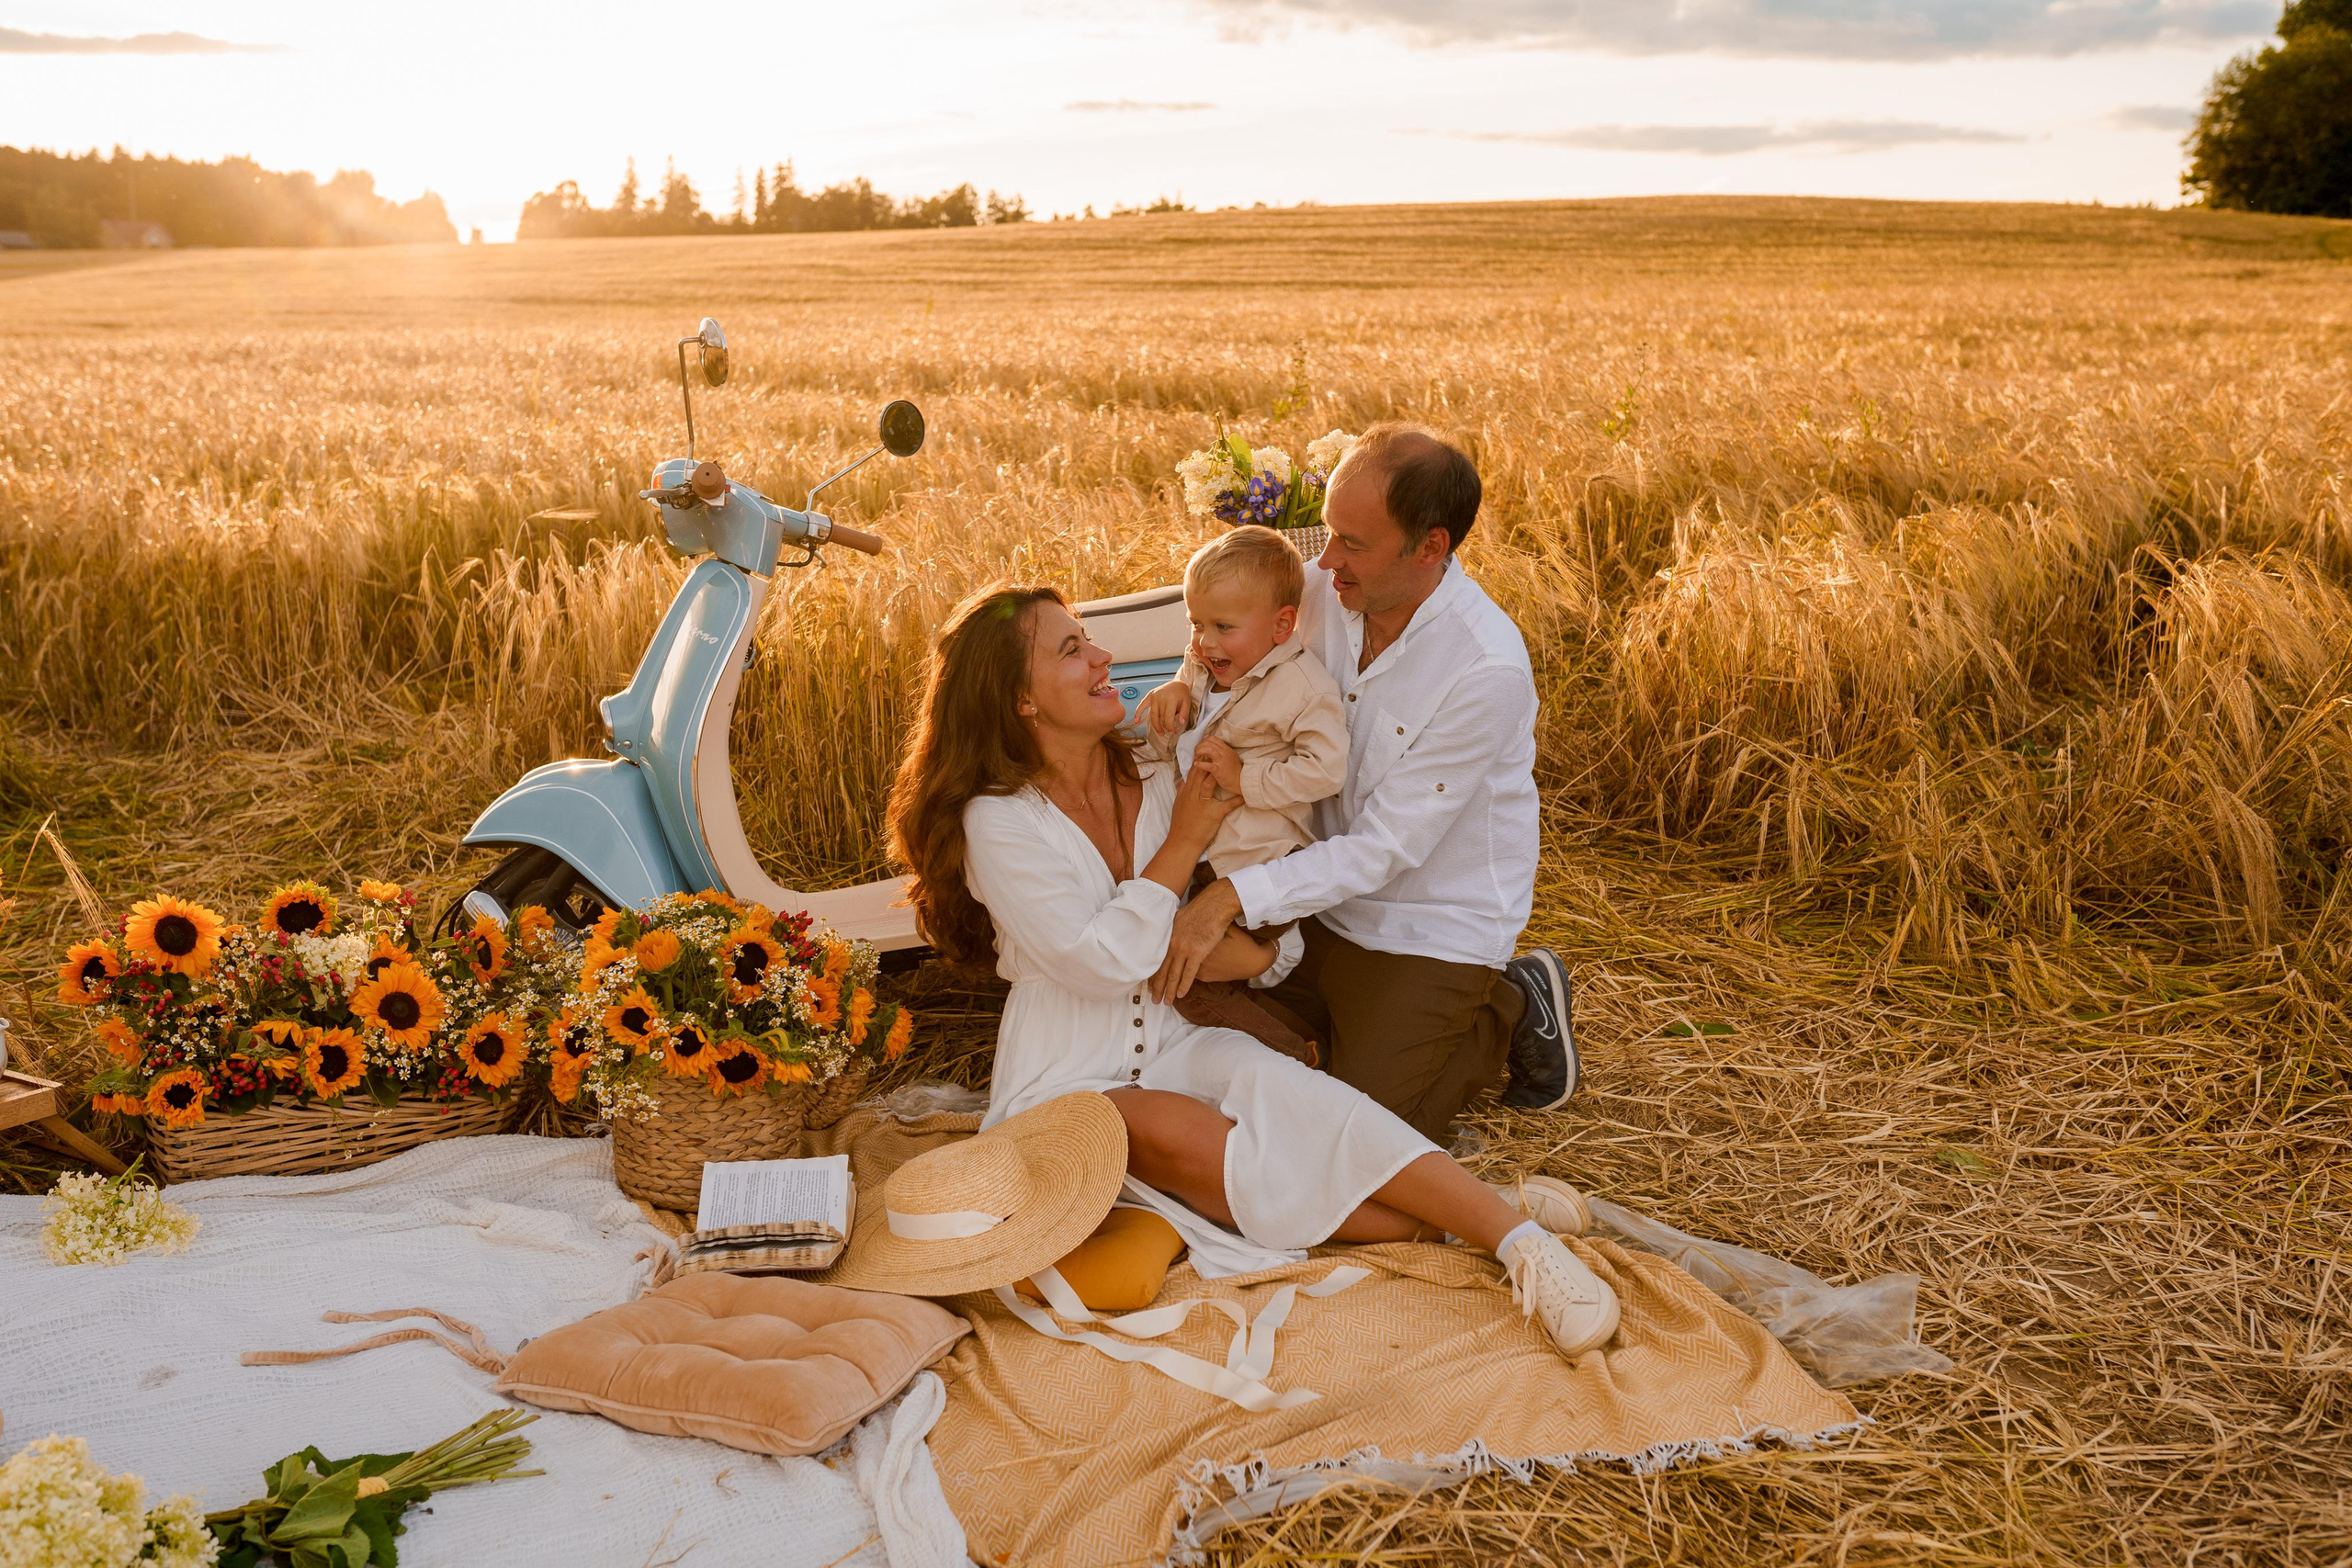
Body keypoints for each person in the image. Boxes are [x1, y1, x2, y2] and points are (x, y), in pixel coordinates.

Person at [886, 583, 1620, 1359]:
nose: (1102, 657)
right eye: (1072, 649)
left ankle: (1521, 1242)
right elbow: (1103, 963)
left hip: (1174, 1024)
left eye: (1089, 639)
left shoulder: (1149, 764)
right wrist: (1185, 841)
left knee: (1307, 1101)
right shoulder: (996, 820)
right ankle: (1479, 1218)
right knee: (1200, 1144)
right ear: (1019, 700)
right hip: (1068, 1070)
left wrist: (1259, 942)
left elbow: (1230, 859)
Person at [1143, 423, 1574, 1142]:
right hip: (1313, 898)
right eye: (1327, 531)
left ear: (1431, 547)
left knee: (1367, 1137)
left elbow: (1382, 851)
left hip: (1424, 924)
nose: (1326, 559)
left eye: (1353, 543)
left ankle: (1511, 1003)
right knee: (1203, 1029)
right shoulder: (1319, 590)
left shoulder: (1483, 669)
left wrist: (1227, 896)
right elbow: (1224, 638)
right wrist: (1182, 682)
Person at [1137, 524, 1347, 1065]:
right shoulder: (1214, 666)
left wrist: (1244, 779)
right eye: (1196, 623)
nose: (1205, 642)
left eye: (1222, 626)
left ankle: (1300, 1060)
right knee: (1199, 975)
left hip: (1262, 863)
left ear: (1282, 625)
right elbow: (1193, 674)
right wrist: (1176, 686)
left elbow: (1326, 771)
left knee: (1190, 984)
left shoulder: (1301, 687)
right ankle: (1297, 1028)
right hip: (1214, 862)